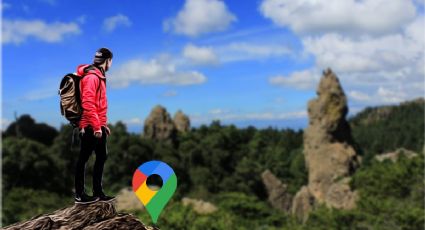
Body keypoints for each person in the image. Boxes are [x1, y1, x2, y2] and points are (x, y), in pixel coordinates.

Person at [74, 47, 114, 204]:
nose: (111, 64)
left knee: (102, 156)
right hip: (89, 125)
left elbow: (99, 104)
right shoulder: (92, 77)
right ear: (108, 61)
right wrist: (97, 127)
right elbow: (88, 103)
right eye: (111, 61)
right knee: (83, 159)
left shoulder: (99, 75)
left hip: (97, 124)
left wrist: (103, 125)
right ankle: (79, 195)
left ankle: (98, 192)